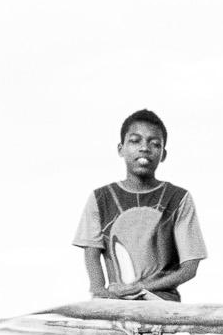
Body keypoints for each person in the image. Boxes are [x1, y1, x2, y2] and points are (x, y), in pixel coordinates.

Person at [73, 109, 206, 300]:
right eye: (135, 141)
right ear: (121, 148)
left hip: (161, 303)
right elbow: (92, 253)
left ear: (163, 154)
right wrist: (100, 292)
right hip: (115, 302)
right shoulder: (100, 198)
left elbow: (189, 268)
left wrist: (141, 288)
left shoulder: (178, 198)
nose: (145, 148)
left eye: (155, 144)